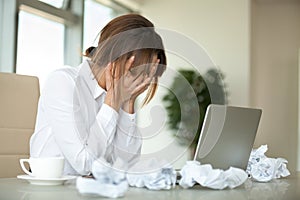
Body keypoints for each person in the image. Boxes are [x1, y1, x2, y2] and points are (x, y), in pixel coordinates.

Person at [30, 14, 167, 175]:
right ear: (114, 56)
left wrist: (128, 104)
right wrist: (112, 103)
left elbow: (124, 165)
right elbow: (85, 164)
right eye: (137, 71)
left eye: (146, 74)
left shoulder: (117, 96)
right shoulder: (63, 82)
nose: (141, 81)